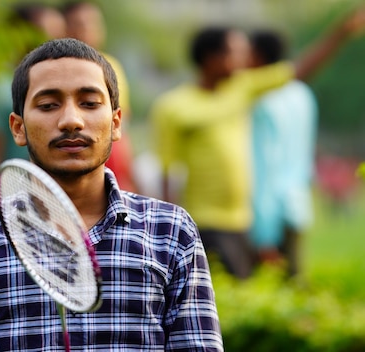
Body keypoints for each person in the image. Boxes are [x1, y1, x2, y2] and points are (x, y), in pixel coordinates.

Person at [0, 38, 223, 351]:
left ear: (116, 123)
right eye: (48, 105)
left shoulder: (170, 230)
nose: (71, 121)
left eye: (89, 103)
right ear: (18, 128)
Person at [149, 8, 365, 279]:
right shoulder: (175, 106)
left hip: (243, 219)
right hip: (204, 220)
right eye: (236, 52)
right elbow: (168, 170)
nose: (245, 58)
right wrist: (169, 228)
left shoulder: (242, 89)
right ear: (213, 58)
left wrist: (340, 34)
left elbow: (298, 70)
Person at [0, 3, 66, 202]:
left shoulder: (68, 83)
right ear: (20, 36)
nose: (56, 43)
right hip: (16, 198)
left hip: (59, 200)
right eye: (46, 35)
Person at [248, 30, 318, 278]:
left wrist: (263, 236)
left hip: (265, 214)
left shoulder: (261, 100)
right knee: (295, 285)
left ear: (256, 57)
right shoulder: (303, 95)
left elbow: (264, 164)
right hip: (297, 204)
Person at [62, 0, 138, 192]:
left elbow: (123, 122)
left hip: (111, 155)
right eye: (80, 24)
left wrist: (129, 169)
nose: (88, 30)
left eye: (94, 24)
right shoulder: (56, 69)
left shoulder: (112, 65)